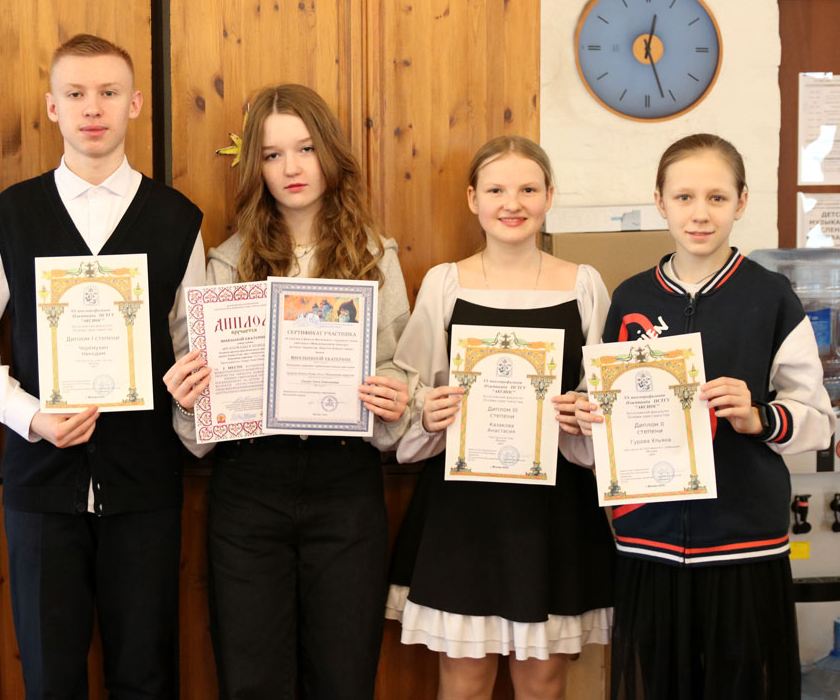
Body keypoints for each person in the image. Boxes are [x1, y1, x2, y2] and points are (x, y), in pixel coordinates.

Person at [0, 34, 205, 698]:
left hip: (145, 484)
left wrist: (192, 389)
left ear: (134, 104)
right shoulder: (11, 215)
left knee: (145, 676)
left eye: (109, 92)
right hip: (41, 486)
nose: (93, 107)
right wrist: (30, 416)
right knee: (51, 678)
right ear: (53, 107)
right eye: (77, 93)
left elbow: (196, 349)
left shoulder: (177, 219)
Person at [163, 83, 411, 699]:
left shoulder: (376, 256)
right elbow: (198, 425)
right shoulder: (224, 264)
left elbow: (398, 374)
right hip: (250, 486)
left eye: (305, 148)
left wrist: (396, 397)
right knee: (252, 680)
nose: (291, 168)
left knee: (344, 677)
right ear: (256, 167)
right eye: (273, 155)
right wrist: (189, 400)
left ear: (330, 153)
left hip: (346, 484)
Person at [574, 133, 835, 700]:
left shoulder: (772, 297)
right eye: (684, 197)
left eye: (717, 198)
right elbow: (604, 407)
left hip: (744, 542)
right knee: (660, 684)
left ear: (742, 202)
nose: (700, 213)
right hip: (648, 540)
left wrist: (760, 416)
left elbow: (818, 422)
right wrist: (588, 414)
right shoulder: (630, 297)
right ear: (660, 202)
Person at [385, 136, 615, 700]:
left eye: (528, 189)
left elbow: (607, 398)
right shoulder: (445, 282)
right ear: (473, 199)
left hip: (554, 509)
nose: (512, 203)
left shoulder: (584, 284)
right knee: (464, 679)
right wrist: (427, 412)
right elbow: (411, 388)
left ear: (549, 197)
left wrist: (584, 414)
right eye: (496, 190)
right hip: (464, 509)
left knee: (543, 679)